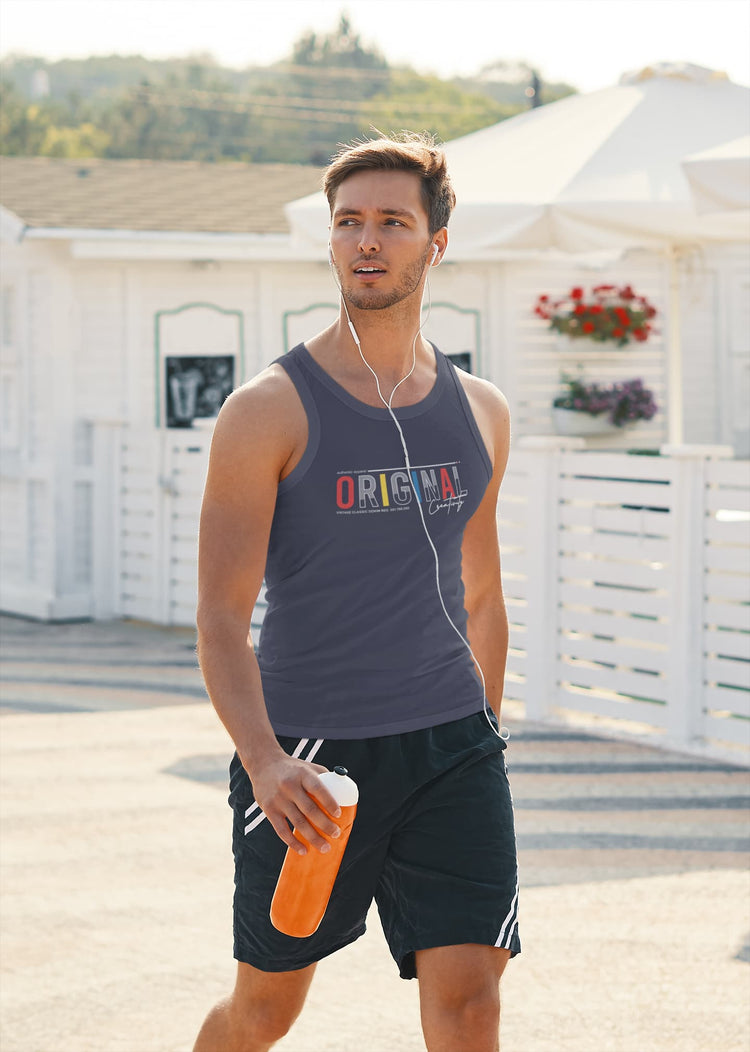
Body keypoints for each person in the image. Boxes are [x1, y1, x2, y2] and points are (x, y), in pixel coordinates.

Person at [193, 131, 519, 1052]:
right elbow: (221, 617)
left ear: (436, 243)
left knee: (471, 1000)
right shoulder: (267, 410)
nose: (367, 241)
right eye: (348, 222)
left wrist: (485, 739)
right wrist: (265, 762)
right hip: (309, 760)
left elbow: (483, 592)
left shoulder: (481, 410)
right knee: (266, 1008)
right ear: (331, 240)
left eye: (392, 222)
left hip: (452, 750)